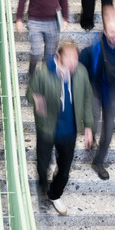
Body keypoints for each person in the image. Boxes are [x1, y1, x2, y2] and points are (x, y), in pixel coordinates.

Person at [27, 41, 94, 216]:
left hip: (69, 131)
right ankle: (42, 185)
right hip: (47, 128)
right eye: (69, 58)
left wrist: (88, 126)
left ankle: (54, 194)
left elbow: (87, 98)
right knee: (43, 165)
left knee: (64, 171)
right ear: (58, 56)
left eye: (75, 58)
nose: (73, 63)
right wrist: (36, 99)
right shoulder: (43, 72)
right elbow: (29, 93)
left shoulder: (81, 72)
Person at [79, 11, 115, 180]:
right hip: (95, 88)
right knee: (93, 118)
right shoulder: (94, 48)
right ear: (105, 32)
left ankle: (98, 162)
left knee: (108, 130)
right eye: (112, 32)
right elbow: (81, 67)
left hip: (113, 92)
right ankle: (91, 136)